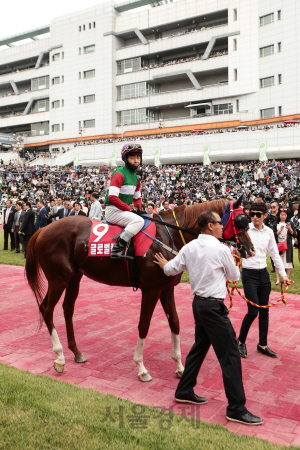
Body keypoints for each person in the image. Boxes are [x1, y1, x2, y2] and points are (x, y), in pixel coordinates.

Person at [154, 210, 262, 425]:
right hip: (213, 307)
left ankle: (184, 390)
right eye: (218, 223)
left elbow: (171, 269)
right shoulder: (220, 249)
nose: (222, 226)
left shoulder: (190, 247)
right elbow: (234, 276)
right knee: (230, 355)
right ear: (209, 226)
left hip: (199, 305)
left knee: (200, 347)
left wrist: (162, 264)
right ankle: (236, 408)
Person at [237, 202, 289, 359]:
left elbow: (274, 254)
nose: (254, 217)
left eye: (258, 214)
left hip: (263, 274)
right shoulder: (245, 231)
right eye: (252, 214)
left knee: (264, 311)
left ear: (265, 216)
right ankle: (240, 341)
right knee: (253, 311)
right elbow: (238, 252)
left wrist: (283, 274)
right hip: (248, 274)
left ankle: (262, 344)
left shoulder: (268, 232)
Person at [104, 142, 144, 260]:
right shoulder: (119, 173)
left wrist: (139, 209)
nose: (136, 161)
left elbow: (137, 198)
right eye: (132, 158)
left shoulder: (136, 178)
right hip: (113, 211)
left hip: (123, 211)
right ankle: (117, 250)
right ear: (125, 159)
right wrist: (129, 209)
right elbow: (112, 198)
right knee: (138, 222)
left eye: (138, 157)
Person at [275, 209, 294, 284]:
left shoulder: (289, 224)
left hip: (287, 245)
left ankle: (287, 279)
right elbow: (273, 234)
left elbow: (294, 234)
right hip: (278, 245)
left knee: (288, 263)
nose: (283, 216)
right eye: (282, 215)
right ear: (279, 215)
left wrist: (290, 229)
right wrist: (279, 230)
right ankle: (278, 279)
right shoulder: (276, 224)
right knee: (277, 263)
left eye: (285, 215)